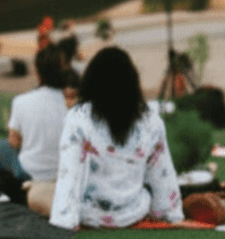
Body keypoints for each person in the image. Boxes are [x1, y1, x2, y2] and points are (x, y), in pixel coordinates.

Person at [49, 47, 184, 229]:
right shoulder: (151, 120)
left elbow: (69, 175)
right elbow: (163, 174)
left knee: (37, 192)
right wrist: (171, 214)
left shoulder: (78, 117)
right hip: (133, 213)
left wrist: (64, 221)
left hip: (90, 215)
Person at [0, 45, 69, 213]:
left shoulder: (21, 101)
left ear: (37, 72)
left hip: (28, 174)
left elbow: (14, 142)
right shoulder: (71, 105)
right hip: (63, 174)